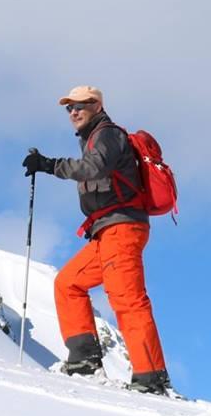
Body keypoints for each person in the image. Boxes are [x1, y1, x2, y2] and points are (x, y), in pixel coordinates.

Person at [22, 86, 171, 395]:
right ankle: (84, 363)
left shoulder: (107, 134)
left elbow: (94, 168)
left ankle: (150, 377)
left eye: (80, 106)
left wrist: (49, 165)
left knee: (126, 298)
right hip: (106, 231)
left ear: (97, 105)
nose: (74, 112)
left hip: (122, 229)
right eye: (69, 108)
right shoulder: (94, 137)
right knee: (68, 283)